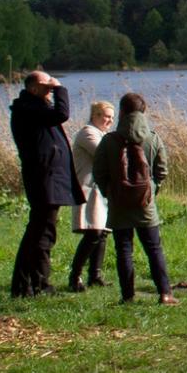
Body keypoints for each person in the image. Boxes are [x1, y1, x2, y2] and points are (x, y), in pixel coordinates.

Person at [93, 92, 178, 305]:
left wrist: (110, 193)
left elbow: (99, 172)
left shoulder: (109, 140)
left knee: (124, 249)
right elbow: (162, 171)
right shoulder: (153, 138)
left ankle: (128, 296)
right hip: (145, 203)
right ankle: (165, 293)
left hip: (119, 203)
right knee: (154, 248)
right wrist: (151, 189)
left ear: (121, 112)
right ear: (144, 111)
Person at [8, 70, 79, 298]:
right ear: (33, 88)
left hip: (47, 178)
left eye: (51, 85)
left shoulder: (34, 107)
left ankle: (34, 284)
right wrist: (61, 89)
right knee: (40, 233)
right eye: (46, 85)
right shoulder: (28, 108)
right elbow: (62, 114)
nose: (50, 88)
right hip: (43, 178)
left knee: (42, 232)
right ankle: (28, 285)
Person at [65, 100, 115, 291]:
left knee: (102, 233)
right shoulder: (88, 133)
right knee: (93, 233)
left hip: (99, 191)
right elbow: (103, 154)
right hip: (88, 190)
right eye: (106, 116)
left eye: (112, 117)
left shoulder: (102, 134)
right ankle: (74, 276)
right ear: (95, 116)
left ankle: (95, 275)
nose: (109, 120)